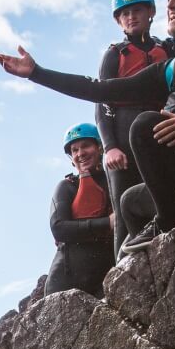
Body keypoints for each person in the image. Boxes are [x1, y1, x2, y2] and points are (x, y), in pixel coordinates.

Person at [0, 0, 175, 253]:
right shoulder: (170, 67)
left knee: (145, 124)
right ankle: (170, 223)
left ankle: (171, 219)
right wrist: (36, 73)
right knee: (128, 202)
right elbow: (100, 90)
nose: (170, 5)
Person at [97, 0, 172, 256]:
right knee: (122, 209)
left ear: (151, 12)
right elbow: (102, 101)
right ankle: (121, 273)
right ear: (118, 20)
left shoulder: (167, 49)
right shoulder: (115, 54)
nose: (131, 17)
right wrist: (109, 147)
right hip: (122, 135)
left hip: (156, 129)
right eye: (125, 13)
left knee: (159, 194)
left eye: (137, 10)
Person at [46, 123, 115, 297]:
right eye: (74, 150)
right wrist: (108, 222)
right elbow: (59, 228)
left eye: (86, 146)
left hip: (105, 277)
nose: (80, 153)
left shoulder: (116, 180)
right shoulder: (67, 187)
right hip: (65, 284)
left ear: (99, 147)